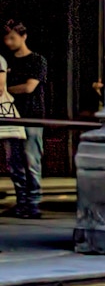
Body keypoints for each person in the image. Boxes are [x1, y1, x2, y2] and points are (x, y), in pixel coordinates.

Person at [4, 21, 47, 219]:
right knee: (14, 161)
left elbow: (30, 87)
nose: (8, 42)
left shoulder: (37, 60)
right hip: (10, 116)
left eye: (12, 37)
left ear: (24, 36)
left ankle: (33, 203)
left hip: (31, 115)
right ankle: (22, 201)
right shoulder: (7, 62)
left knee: (31, 159)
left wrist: (6, 91)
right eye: (6, 38)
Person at [0, 53, 31, 219]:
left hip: (4, 114)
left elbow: (0, 88)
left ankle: (23, 202)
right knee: (13, 160)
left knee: (14, 161)